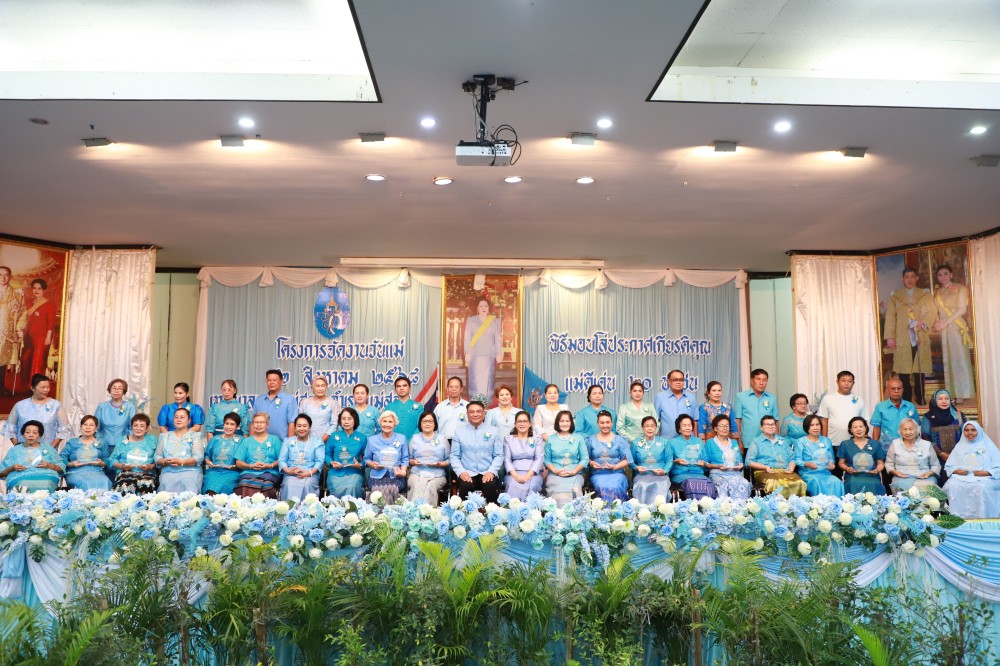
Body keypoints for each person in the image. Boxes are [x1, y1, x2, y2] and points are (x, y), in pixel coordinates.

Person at [883, 266, 935, 405]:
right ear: (903, 279)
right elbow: (890, 317)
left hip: (919, 335)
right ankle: (906, 398)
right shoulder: (896, 296)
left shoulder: (925, 294)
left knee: (920, 367)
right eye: (907, 277)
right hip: (902, 336)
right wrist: (890, 337)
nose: (910, 279)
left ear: (916, 278)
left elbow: (932, 311)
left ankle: (920, 395)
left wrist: (923, 322)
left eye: (912, 277)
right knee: (903, 369)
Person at [931, 264, 975, 404]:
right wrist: (937, 322)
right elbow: (936, 311)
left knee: (959, 359)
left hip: (956, 326)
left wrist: (946, 322)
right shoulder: (937, 293)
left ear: (951, 274)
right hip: (944, 328)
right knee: (948, 360)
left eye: (945, 273)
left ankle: (962, 392)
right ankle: (951, 392)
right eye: (940, 275)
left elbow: (962, 309)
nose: (943, 277)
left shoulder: (960, 288)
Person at [942, 422, 1000, 519]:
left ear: (979, 431)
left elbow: (998, 468)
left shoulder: (989, 446)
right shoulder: (959, 447)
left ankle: (982, 517)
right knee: (952, 484)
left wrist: (985, 473)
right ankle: (957, 518)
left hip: (986, 478)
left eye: (973, 430)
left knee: (981, 487)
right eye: (966, 430)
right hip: (962, 477)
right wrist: (957, 471)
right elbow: (949, 467)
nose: (970, 433)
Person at [450, 401, 503, 502]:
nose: (475, 414)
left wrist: (491, 472)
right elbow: (454, 456)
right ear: (467, 414)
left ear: (484, 413)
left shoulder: (494, 431)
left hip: (487, 471)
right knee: (465, 486)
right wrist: (461, 472)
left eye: (478, 411)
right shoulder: (459, 432)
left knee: (490, 486)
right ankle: (464, 512)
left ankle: (493, 511)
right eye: (472, 412)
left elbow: (499, 455)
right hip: (467, 472)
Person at [2, 373, 71, 448]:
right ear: (32, 388)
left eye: (48, 387)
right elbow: (10, 428)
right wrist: (17, 447)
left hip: (47, 451)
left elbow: (64, 429)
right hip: (24, 451)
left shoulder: (56, 405)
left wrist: (50, 448)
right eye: (42, 387)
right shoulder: (20, 405)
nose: (46, 390)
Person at [746, 415, 807, 497]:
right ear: (761, 427)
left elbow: (793, 458)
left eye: (772, 424)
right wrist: (765, 467)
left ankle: (795, 504)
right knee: (774, 483)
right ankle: (776, 505)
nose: (770, 426)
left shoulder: (783, 440)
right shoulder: (756, 441)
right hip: (765, 471)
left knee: (800, 482)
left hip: (785, 471)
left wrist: (791, 468)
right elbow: (749, 461)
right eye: (767, 424)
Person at [0, 420, 63, 491]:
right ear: (23, 434)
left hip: (46, 477)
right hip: (20, 478)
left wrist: (49, 465)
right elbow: (1, 473)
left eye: (35, 433)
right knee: (21, 485)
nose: (31, 435)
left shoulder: (48, 448)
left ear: (40, 435)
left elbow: (61, 467)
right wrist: (12, 468)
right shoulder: (14, 450)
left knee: (47, 484)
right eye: (27, 432)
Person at [155, 408, 205, 493]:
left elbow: (198, 457)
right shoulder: (164, 436)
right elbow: (157, 456)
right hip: (168, 472)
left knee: (189, 490)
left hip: (190, 471)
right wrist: (164, 462)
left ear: (189, 420)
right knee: (166, 495)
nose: (179, 420)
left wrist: (182, 462)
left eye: (182, 417)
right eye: (176, 417)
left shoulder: (195, 436)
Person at [543, 410, 588, 507]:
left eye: (567, 421)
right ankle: (556, 514)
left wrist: (574, 471)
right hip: (555, 474)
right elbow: (546, 460)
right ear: (557, 422)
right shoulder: (551, 439)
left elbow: (585, 459)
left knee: (575, 490)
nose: (565, 423)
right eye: (562, 421)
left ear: (571, 422)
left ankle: (576, 515)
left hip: (575, 474)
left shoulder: (579, 438)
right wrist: (556, 471)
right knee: (558, 490)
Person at [587, 410, 633, 502]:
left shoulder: (620, 440)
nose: (605, 425)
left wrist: (615, 467)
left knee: (616, 486)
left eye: (607, 422)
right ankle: (604, 510)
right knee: (602, 486)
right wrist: (591, 463)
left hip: (617, 474)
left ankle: (619, 509)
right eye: (602, 423)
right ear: (598, 424)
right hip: (598, 474)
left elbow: (627, 459)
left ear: (612, 423)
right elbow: (585, 458)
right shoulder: (591, 440)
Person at [885, 417, 940, 493]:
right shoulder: (895, 444)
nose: (908, 432)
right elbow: (889, 463)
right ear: (900, 431)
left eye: (911, 429)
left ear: (916, 430)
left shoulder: (926, 444)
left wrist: (929, 473)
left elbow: (935, 465)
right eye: (905, 429)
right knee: (898, 486)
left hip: (924, 477)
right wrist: (896, 472)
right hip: (902, 477)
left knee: (930, 486)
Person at [17, 278, 56, 387]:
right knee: (25, 359)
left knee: (38, 362)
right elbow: (25, 319)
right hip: (29, 336)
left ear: (44, 290)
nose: (37, 290)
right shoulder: (30, 303)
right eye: (34, 288)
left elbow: (51, 322)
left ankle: (36, 386)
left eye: (39, 288)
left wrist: (48, 337)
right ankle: (26, 385)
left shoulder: (49, 304)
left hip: (42, 336)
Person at [234, 412, 282, 498]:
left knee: (267, 485)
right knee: (244, 484)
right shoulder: (246, 441)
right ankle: (246, 507)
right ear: (252, 424)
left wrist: (269, 465)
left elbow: (282, 459)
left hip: (270, 472)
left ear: (267, 424)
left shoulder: (275, 440)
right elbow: (238, 462)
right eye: (256, 422)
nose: (258, 425)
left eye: (261, 422)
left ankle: (267, 506)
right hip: (249, 472)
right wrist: (250, 466)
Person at [464, 298, 503, 402]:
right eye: (481, 306)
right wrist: (467, 352)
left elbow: (498, 338)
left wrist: (499, 353)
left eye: (485, 306)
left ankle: (486, 401)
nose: (483, 308)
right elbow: (467, 337)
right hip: (475, 354)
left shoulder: (495, 321)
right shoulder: (471, 320)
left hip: (489, 354)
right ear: (477, 308)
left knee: (488, 378)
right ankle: (475, 401)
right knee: (476, 378)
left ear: (489, 307)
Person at [668, 414, 716, 500]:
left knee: (709, 483)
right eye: (684, 425)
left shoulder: (698, 441)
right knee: (692, 483)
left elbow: (706, 460)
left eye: (689, 425)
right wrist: (676, 461)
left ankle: (708, 507)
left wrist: (703, 463)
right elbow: (667, 462)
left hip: (698, 473)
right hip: (681, 475)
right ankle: (694, 506)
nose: (687, 428)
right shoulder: (672, 442)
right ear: (679, 429)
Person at [365, 411, 409, 503]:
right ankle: (383, 512)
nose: (387, 424)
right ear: (380, 423)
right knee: (378, 490)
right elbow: (367, 459)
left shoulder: (402, 438)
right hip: (376, 477)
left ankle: (388, 511)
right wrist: (373, 465)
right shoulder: (372, 440)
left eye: (390, 422)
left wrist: (402, 472)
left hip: (396, 477)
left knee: (392, 488)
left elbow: (405, 459)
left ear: (394, 424)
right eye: (384, 421)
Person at [703, 415, 751, 500]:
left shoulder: (734, 442)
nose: (725, 428)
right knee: (723, 484)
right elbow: (705, 463)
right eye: (722, 426)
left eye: (727, 426)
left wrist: (740, 466)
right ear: (715, 428)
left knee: (744, 483)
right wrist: (717, 466)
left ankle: (740, 507)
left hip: (734, 473)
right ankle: (724, 507)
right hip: (717, 474)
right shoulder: (709, 443)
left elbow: (740, 461)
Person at [794, 415, 844, 496]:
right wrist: (807, 464)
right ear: (807, 427)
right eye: (812, 425)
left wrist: (831, 464)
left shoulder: (826, 441)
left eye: (817, 424)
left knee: (837, 482)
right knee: (816, 482)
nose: (815, 428)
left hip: (825, 473)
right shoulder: (800, 442)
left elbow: (831, 458)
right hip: (809, 473)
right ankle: (819, 504)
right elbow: (796, 460)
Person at [109, 413, 158, 494]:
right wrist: (122, 466)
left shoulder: (153, 440)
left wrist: (150, 466)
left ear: (147, 428)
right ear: (131, 427)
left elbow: (158, 458)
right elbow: (112, 460)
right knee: (125, 482)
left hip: (147, 474)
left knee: (146, 484)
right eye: (135, 425)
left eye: (142, 426)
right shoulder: (122, 440)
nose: (138, 428)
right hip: (125, 473)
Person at [407, 411, 449, 505]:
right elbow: (408, 459)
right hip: (417, 474)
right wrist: (414, 462)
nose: (427, 424)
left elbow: (449, 460)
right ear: (420, 424)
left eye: (430, 421)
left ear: (435, 423)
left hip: (437, 475)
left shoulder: (442, 439)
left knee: (430, 486)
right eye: (424, 421)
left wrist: (440, 464)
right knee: (418, 485)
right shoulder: (414, 439)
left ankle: (428, 511)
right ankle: (412, 510)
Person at [279, 414, 324, 501]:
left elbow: (319, 461)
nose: (302, 428)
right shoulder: (288, 441)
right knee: (288, 484)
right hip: (291, 473)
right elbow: (282, 460)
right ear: (295, 428)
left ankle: (307, 509)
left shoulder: (317, 442)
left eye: (304, 426)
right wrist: (288, 471)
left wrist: (309, 473)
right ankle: (289, 509)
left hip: (310, 474)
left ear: (309, 428)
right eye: (299, 426)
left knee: (307, 484)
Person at [817, 371, 866, 450]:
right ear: (837, 382)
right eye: (843, 381)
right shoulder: (828, 399)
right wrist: (824, 441)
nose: (846, 383)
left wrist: (864, 442)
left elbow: (864, 422)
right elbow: (824, 421)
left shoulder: (859, 399)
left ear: (853, 383)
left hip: (855, 443)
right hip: (833, 443)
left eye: (849, 381)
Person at [61, 414, 112, 491]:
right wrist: (71, 464)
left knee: (106, 481)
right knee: (85, 482)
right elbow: (61, 458)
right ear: (81, 427)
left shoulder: (102, 442)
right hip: (75, 472)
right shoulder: (72, 442)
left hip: (97, 472)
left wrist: (102, 463)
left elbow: (107, 460)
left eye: (91, 425)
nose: (88, 427)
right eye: (85, 424)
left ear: (96, 428)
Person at [630, 416, 673, 505]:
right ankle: (642, 509)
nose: (650, 428)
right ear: (642, 428)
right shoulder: (635, 443)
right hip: (642, 476)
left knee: (661, 484)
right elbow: (631, 461)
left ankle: (660, 509)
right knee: (641, 484)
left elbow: (669, 460)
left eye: (652, 426)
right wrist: (637, 468)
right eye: (647, 426)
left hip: (660, 475)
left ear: (656, 428)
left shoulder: (664, 442)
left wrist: (664, 471)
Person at [870, 374, 918, 454]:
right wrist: (875, 448)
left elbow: (917, 427)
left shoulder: (910, 406)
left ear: (902, 390)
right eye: (893, 389)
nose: (896, 391)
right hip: (887, 449)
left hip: (908, 448)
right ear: (887, 390)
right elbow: (876, 428)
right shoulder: (880, 407)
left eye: (899, 388)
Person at [94, 378, 137, 467]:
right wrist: (98, 441)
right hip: (103, 443)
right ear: (110, 390)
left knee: (120, 467)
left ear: (124, 391)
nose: (116, 391)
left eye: (120, 388)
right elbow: (95, 427)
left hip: (123, 444)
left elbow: (132, 427)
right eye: (114, 388)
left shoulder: (130, 406)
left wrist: (128, 442)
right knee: (104, 467)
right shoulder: (102, 406)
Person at [838, 417, 886, 495]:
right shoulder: (845, 444)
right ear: (850, 430)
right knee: (852, 482)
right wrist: (847, 468)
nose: (858, 429)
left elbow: (880, 463)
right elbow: (841, 463)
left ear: (866, 428)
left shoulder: (875, 444)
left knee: (874, 483)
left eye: (861, 426)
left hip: (871, 475)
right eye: (855, 427)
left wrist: (877, 470)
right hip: (853, 476)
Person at [734, 369, 779, 451]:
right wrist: (738, 440)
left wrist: (777, 441)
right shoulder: (741, 397)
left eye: (764, 380)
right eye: (758, 379)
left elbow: (776, 420)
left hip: (768, 441)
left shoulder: (772, 398)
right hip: (748, 442)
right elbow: (738, 420)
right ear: (752, 381)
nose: (761, 383)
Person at [503, 410, 544, 499]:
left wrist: (528, 475)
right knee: (511, 484)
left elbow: (539, 458)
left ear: (529, 424)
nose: (522, 424)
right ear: (515, 424)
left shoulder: (537, 439)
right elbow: (507, 459)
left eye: (525, 421)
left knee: (533, 485)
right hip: (513, 473)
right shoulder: (508, 439)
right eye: (519, 421)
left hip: (533, 473)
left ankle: (530, 508)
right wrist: (515, 476)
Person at [326, 407, 366, 498]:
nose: (346, 422)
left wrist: (360, 465)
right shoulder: (333, 436)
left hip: (354, 473)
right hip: (336, 474)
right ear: (340, 421)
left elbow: (366, 457)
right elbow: (327, 454)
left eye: (349, 419)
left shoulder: (362, 438)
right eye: (343, 419)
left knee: (353, 485)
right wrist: (331, 463)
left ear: (355, 420)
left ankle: (352, 507)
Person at [921, 388, 966, 465]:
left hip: (959, 457)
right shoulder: (928, 417)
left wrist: (958, 453)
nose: (944, 401)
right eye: (940, 399)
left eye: (947, 398)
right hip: (936, 459)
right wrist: (941, 453)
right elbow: (925, 438)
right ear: (935, 401)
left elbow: (965, 435)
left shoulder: (957, 415)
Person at [202, 412, 243, 495]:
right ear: (223, 424)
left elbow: (244, 458)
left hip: (232, 472)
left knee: (224, 484)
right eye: (227, 423)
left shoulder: (241, 441)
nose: (228, 427)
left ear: (237, 426)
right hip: (214, 471)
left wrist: (236, 466)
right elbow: (207, 455)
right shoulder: (215, 439)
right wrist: (209, 462)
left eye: (232, 424)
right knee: (210, 484)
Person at [0, 266, 25, 393]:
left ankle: (1, 386)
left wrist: (19, 328)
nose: (3, 278)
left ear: (10, 277)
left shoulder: (16, 294)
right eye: (0, 275)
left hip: (6, 332)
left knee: (2, 360)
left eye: (6, 275)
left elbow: (23, 312)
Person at [253, 370, 297, 439]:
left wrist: (289, 442)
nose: (271, 382)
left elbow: (292, 423)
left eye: (274, 380)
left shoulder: (289, 399)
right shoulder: (259, 400)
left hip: (281, 442)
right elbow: (253, 422)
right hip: (260, 442)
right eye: (269, 380)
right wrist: (251, 442)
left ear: (281, 382)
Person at [655, 370, 698, 439]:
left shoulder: (691, 397)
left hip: (688, 440)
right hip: (666, 439)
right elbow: (656, 420)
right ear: (669, 381)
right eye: (675, 380)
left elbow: (695, 420)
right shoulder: (660, 397)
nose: (678, 382)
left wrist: (695, 438)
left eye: (681, 380)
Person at [297, 376, 338, 443]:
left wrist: (321, 441)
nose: (320, 388)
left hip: (326, 441)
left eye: (323, 386)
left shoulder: (332, 403)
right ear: (312, 388)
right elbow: (300, 422)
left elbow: (334, 424)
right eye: (317, 386)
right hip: (306, 441)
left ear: (326, 387)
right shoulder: (304, 402)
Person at [385, 375, 423, 440]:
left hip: (414, 442)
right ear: (395, 389)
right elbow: (386, 426)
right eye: (398, 386)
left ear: (410, 388)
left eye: (404, 386)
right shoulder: (389, 407)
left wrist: (412, 440)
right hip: (392, 442)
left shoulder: (419, 407)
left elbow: (420, 425)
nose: (401, 388)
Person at [434, 376, 469, 442]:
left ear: (461, 389)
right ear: (447, 388)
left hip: (463, 442)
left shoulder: (468, 406)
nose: (454, 389)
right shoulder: (440, 407)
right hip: (443, 442)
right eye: (451, 387)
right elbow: (434, 427)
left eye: (457, 387)